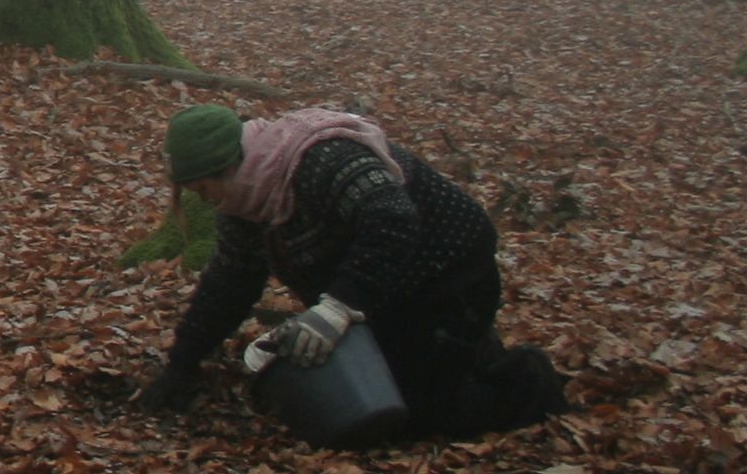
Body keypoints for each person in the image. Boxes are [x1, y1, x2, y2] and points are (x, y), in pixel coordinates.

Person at [143, 105, 566, 441]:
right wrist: (183, 362)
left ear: (228, 166)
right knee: (376, 389)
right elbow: (229, 284)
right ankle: (466, 355)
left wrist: (338, 308)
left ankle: (527, 381)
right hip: (385, 293)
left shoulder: (320, 158)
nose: (206, 201)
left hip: (449, 273)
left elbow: (392, 218)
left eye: (203, 189)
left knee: (419, 414)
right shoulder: (245, 205)